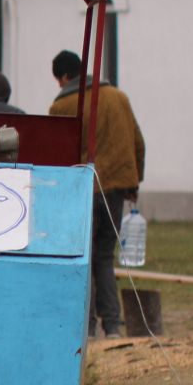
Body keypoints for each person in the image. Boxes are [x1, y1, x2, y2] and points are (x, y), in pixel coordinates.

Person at [48, 49, 145, 339]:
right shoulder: (119, 98)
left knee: (84, 258)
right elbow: (138, 141)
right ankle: (113, 325)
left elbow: (58, 152)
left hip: (82, 190)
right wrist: (133, 182)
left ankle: (87, 327)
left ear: (65, 77)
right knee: (104, 256)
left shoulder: (63, 106)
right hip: (116, 188)